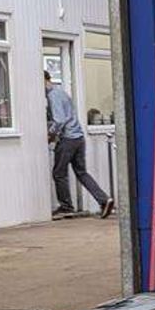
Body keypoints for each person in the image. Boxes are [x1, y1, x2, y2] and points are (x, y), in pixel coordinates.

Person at [45, 70, 114, 218]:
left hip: (67, 139)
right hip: (78, 138)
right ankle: (104, 200)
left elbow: (60, 120)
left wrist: (50, 134)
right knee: (81, 172)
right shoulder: (62, 92)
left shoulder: (53, 95)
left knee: (59, 173)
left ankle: (66, 207)